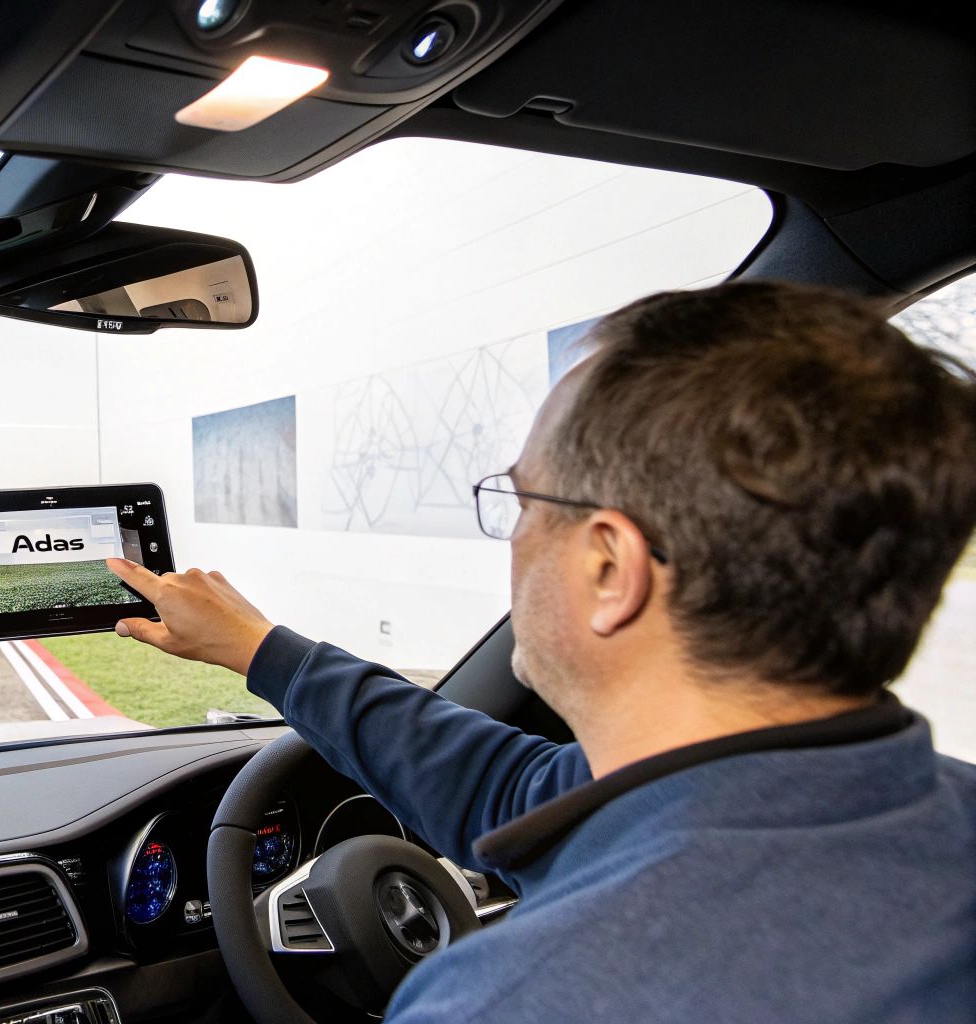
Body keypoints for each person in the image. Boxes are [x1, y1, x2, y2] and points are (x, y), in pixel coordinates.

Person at [104, 280, 976, 1022]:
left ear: (609, 567)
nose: (513, 537)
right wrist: (266, 652)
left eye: (523, 501)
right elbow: (512, 793)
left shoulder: (510, 998)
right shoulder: (922, 807)